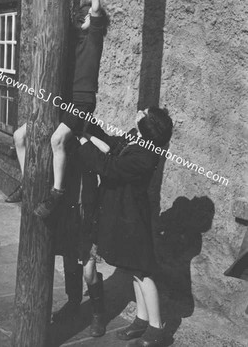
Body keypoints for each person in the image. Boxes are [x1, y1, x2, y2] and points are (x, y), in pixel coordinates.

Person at [77, 107, 173, 347]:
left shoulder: (145, 156)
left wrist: (82, 143)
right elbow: (111, 143)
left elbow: (109, 167)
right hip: (123, 215)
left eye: (144, 113)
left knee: (143, 272)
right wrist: (88, 124)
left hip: (132, 219)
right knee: (133, 269)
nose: (139, 112)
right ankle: (142, 320)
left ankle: (157, 328)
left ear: (147, 126)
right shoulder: (135, 137)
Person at [5, 123, 108, 337]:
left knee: (88, 269)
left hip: (87, 208)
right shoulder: (57, 130)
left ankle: (99, 313)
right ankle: (73, 302)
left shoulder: (87, 127)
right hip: (67, 207)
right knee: (70, 257)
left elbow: (107, 149)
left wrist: (84, 134)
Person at [34, 0, 109, 218]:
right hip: (68, 99)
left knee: (57, 139)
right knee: (44, 138)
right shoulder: (75, 38)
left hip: (83, 100)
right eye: (84, 15)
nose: (87, 16)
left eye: (90, 15)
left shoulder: (95, 37)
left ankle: (57, 194)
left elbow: (97, 8)